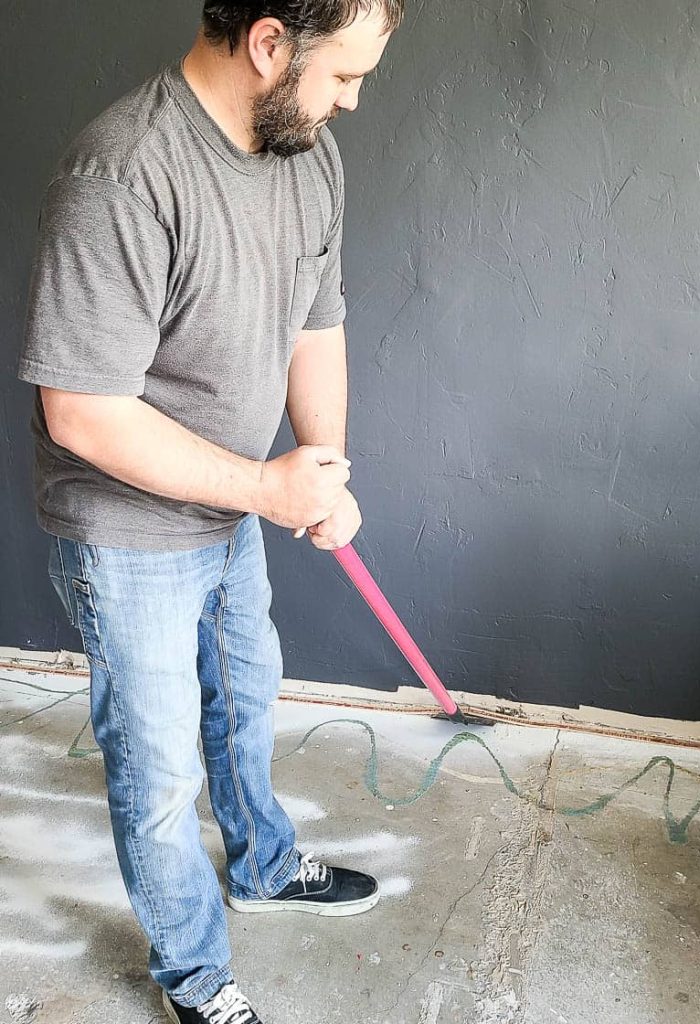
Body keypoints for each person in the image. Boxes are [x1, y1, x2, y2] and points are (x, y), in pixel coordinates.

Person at [16, 2, 404, 1021]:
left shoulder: (304, 154)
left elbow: (315, 323)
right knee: (156, 767)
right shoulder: (123, 174)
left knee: (244, 696)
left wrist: (318, 464)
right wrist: (267, 487)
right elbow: (85, 414)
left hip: (230, 509)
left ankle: (263, 862)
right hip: (126, 531)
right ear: (269, 44)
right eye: (340, 76)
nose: (349, 101)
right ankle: (192, 973)